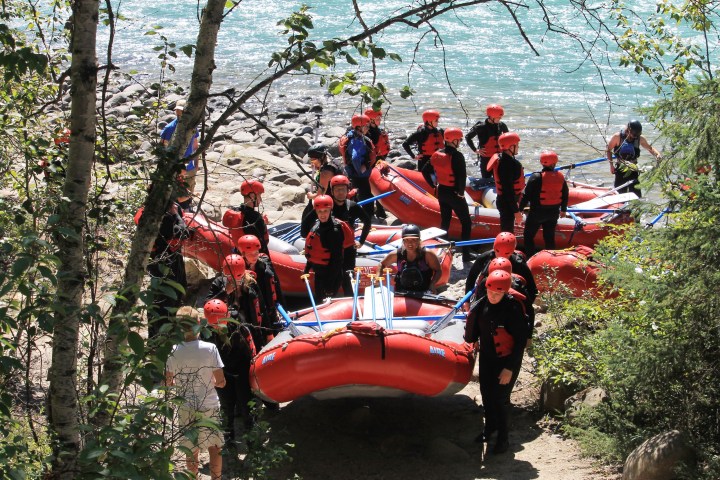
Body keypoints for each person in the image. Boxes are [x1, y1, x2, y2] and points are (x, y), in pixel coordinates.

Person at [464, 270, 529, 454]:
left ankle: (503, 438)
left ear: (505, 292)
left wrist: (509, 368)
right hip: (488, 357)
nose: (493, 296)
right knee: (486, 395)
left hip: (507, 360)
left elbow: (520, 343)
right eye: (491, 291)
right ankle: (490, 428)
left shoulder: (513, 309)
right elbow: (475, 330)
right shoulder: (482, 303)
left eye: (498, 293)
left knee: (500, 399)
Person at [204, 254, 268, 435]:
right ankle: (232, 427)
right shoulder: (219, 284)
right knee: (228, 395)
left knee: (245, 384)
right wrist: (226, 292)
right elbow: (209, 306)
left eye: (237, 276)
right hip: (229, 336)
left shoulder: (251, 284)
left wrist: (267, 333)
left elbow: (260, 308)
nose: (234, 279)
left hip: (246, 331)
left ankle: (252, 414)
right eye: (231, 276)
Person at [166, 306, 226, 480]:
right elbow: (221, 381)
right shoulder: (210, 348)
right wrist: (214, 382)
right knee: (214, 447)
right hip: (209, 405)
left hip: (186, 406)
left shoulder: (172, 351)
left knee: (190, 448)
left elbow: (168, 383)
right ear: (199, 323)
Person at [136, 189, 193, 340]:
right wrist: (176, 215)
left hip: (170, 259)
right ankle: (160, 339)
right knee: (165, 301)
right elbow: (183, 233)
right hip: (165, 263)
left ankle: (163, 335)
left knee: (175, 294)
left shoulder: (164, 210)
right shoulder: (160, 216)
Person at [301, 175, 372, 295]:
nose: (340, 193)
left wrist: (362, 241)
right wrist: (311, 238)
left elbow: (367, 221)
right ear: (332, 191)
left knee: (347, 279)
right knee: (325, 281)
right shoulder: (326, 204)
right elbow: (306, 223)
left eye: (343, 189)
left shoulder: (352, 206)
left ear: (347, 190)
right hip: (329, 249)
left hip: (347, 249)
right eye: (337, 189)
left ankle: (350, 304)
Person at [427, 127, 474, 262]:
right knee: (466, 222)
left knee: (445, 222)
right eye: (458, 140)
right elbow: (461, 176)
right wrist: (460, 193)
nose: (459, 142)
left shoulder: (436, 154)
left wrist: (433, 185)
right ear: (453, 140)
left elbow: (425, 170)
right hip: (454, 194)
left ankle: (442, 251)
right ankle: (466, 254)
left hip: (442, 192)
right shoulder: (457, 156)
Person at [465, 232, 538, 311]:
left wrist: (524, 307)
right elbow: (471, 277)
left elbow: (532, 289)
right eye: (497, 252)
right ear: (494, 247)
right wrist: (467, 301)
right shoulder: (485, 258)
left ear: (512, 252)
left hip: (509, 303)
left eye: (506, 254)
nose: (501, 256)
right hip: (486, 297)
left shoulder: (519, 264)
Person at [304, 195, 355, 299]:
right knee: (318, 301)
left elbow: (337, 260)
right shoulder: (317, 225)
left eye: (325, 211)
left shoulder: (334, 231)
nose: (322, 214)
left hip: (330, 275)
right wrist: (306, 269)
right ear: (316, 212)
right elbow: (312, 249)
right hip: (319, 272)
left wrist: (330, 285)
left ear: (330, 210)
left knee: (323, 302)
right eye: (320, 211)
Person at [518, 150, 569, 257]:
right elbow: (565, 193)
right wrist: (563, 209)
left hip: (537, 213)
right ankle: (551, 259)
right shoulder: (560, 176)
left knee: (528, 236)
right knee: (549, 238)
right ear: (554, 163)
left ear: (542, 162)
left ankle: (530, 258)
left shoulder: (536, 177)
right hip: (553, 213)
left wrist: (520, 209)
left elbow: (526, 195)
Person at [236, 234, 285, 337]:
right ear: (243, 254)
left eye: (256, 252)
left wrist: (282, 306)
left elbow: (276, 285)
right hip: (253, 313)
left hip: (269, 307)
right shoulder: (238, 271)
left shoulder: (264, 263)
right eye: (251, 253)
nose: (255, 256)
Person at [377, 224, 442, 294]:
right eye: (407, 240)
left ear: (419, 241)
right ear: (403, 241)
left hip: (423, 292)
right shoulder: (396, 254)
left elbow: (438, 270)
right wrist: (378, 276)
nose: (410, 243)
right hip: (402, 291)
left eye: (413, 240)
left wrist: (432, 284)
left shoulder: (428, 254)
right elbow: (381, 264)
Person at [605, 120, 662, 198]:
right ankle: (620, 210)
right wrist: (611, 165)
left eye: (637, 135)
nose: (635, 137)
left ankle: (635, 208)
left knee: (637, 196)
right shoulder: (617, 137)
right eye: (634, 135)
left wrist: (657, 154)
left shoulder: (640, 138)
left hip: (633, 169)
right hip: (620, 170)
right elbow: (608, 150)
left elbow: (650, 148)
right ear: (628, 130)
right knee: (620, 196)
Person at [161, 99, 201, 196]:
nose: (179, 114)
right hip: (174, 169)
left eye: (181, 111)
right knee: (174, 197)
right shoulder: (169, 128)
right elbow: (162, 150)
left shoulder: (193, 127)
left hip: (189, 169)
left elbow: (195, 146)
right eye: (177, 112)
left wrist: (196, 165)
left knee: (188, 196)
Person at [340, 114, 376, 218]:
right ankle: (368, 217)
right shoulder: (356, 141)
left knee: (355, 194)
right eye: (366, 126)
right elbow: (355, 157)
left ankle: (354, 215)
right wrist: (361, 170)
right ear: (359, 127)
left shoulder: (351, 134)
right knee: (366, 195)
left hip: (351, 172)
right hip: (359, 175)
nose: (368, 128)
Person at [221, 179, 271, 256]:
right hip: (253, 257)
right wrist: (264, 224)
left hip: (238, 252)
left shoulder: (235, 211)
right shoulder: (256, 218)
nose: (260, 199)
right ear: (252, 196)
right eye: (259, 196)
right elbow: (262, 243)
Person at [488, 131, 525, 232]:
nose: (518, 147)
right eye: (516, 145)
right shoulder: (511, 165)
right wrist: (516, 212)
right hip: (508, 203)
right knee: (507, 230)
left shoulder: (500, 159)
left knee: (506, 227)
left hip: (503, 200)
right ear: (510, 147)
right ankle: (506, 246)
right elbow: (508, 191)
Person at [401, 109, 444, 187]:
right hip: (425, 161)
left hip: (438, 160)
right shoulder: (421, 133)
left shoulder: (440, 131)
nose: (438, 122)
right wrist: (414, 156)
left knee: (439, 179)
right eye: (436, 120)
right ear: (429, 121)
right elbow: (405, 144)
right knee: (426, 182)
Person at [465, 104, 510, 178]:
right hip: (486, 159)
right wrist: (476, 150)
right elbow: (468, 137)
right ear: (491, 116)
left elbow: (508, 139)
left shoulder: (502, 125)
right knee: (486, 179)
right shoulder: (481, 127)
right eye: (498, 117)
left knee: (501, 179)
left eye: (500, 117)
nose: (500, 119)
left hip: (499, 159)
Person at [364, 108, 390, 219]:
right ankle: (372, 211)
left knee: (379, 186)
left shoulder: (378, 131)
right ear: (371, 120)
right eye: (378, 118)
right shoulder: (368, 133)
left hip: (380, 160)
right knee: (372, 187)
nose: (380, 120)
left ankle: (380, 210)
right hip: (371, 163)